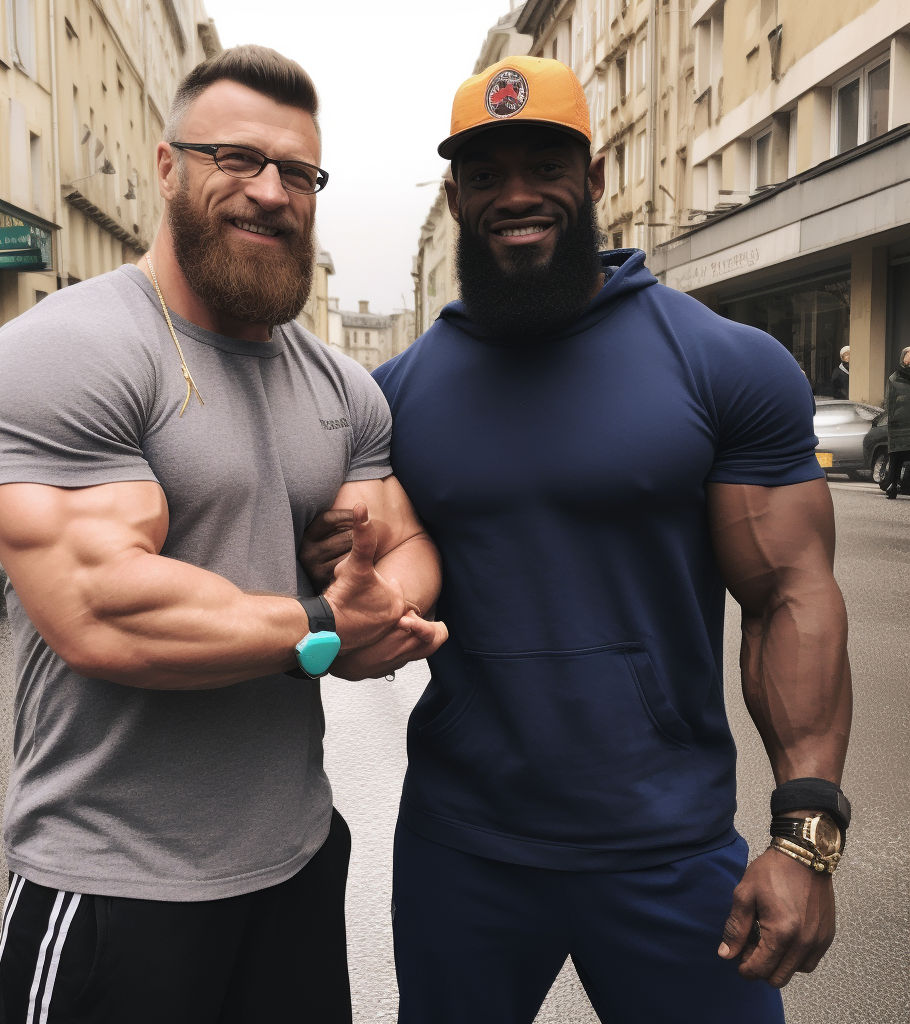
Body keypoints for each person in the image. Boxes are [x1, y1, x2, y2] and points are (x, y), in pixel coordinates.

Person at [301, 56, 852, 1024]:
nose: (515, 194)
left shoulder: (724, 363)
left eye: (545, 163)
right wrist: (349, 615)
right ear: (456, 195)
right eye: (485, 172)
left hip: (670, 848)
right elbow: (368, 600)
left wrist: (803, 839)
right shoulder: (392, 396)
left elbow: (789, 594)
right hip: (461, 848)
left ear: (594, 180)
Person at [0, 45, 445, 1024]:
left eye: (298, 173)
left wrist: (377, 613)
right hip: (113, 884)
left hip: (299, 861)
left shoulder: (337, 385)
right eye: (236, 158)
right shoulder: (72, 350)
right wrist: (321, 628)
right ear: (167, 166)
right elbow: (103, 612)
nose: (271, 192)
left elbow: (403, 542)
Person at [882, 345, 910, 498]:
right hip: (898, 426)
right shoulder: (894, 379)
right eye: (908, 354)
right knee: (896, 459)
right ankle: (893, 485)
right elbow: (889, 403)